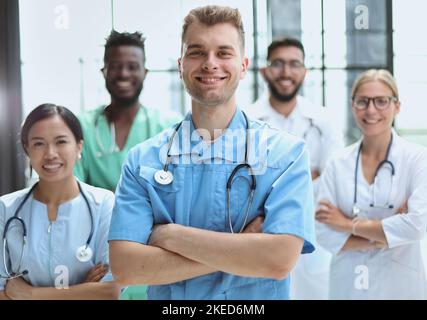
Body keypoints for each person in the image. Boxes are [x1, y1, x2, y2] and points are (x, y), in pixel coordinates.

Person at [108, 5, 315, 300]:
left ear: (243, 66)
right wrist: (241, 247)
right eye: (196, 52)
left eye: (223, 53)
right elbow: (126, 267)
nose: (210, 63)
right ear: (181, 65)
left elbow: (278, 260)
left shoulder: (286, 155)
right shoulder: (145, 160)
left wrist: (169, 236)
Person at [316, 69, 427, 299]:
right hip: (348, 285)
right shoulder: (338, 162)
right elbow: (322, 230)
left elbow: (416, 225)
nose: (371, 110)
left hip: (400, 284)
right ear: (352, 105)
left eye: (381, 101)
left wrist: (347, 225)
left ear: (397, 106)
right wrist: (384, 237)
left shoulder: (417, 159)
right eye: (362, 101)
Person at [246, 38, 344, 299]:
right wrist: (306, 176)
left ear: (304, 72)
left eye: (294, 64)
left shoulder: (324, 121)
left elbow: (331, 181)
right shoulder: (247, 121)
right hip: (262, 235)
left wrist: (275, 181)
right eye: (277, 64)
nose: (286, 72)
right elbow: (247, 183)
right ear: (264, 71)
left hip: (313, 235)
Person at [0, 104, 119, 300]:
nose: (50, 154)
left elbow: (109, 291)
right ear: (26, 149)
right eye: (38, 143)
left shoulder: (104, 204)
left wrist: (28, 293)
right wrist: (82, 290)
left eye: (61, 142)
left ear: (79, 146)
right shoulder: (5, 209)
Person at [74, 30, 182, 192]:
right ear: (104, 72)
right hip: (96, 218)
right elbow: (73, 191)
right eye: (115, 67)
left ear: (144, 73)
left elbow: (179, 187)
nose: (123, 74)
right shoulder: (82, 126)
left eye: (132, 67)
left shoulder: (169, 125)